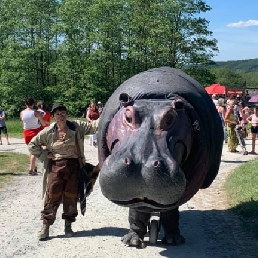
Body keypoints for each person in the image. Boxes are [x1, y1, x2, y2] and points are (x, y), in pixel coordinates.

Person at [28, 103, 99, 240]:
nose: (61, 116)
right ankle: (46, 226)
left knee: (71, 197)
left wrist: (111, 110)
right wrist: (44, 155)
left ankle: (68, 225)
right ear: (54, 116)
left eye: (63, 113)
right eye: (58, 114)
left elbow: (94, 126)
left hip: (74, 167)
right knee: (51, 197)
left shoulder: (76, 126)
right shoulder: (48, 132)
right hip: (55, 167)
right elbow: (32, 145)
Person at [20, 97, 46, 175]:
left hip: (26, 131)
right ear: (33, 104)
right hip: (35, 131)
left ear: (26, 104)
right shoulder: (36, 112)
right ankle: (31, 170)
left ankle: (33, 167)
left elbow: (22, 122)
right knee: (34, 151)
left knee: (31, 150)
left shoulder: (22, 112)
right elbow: (43, 123)